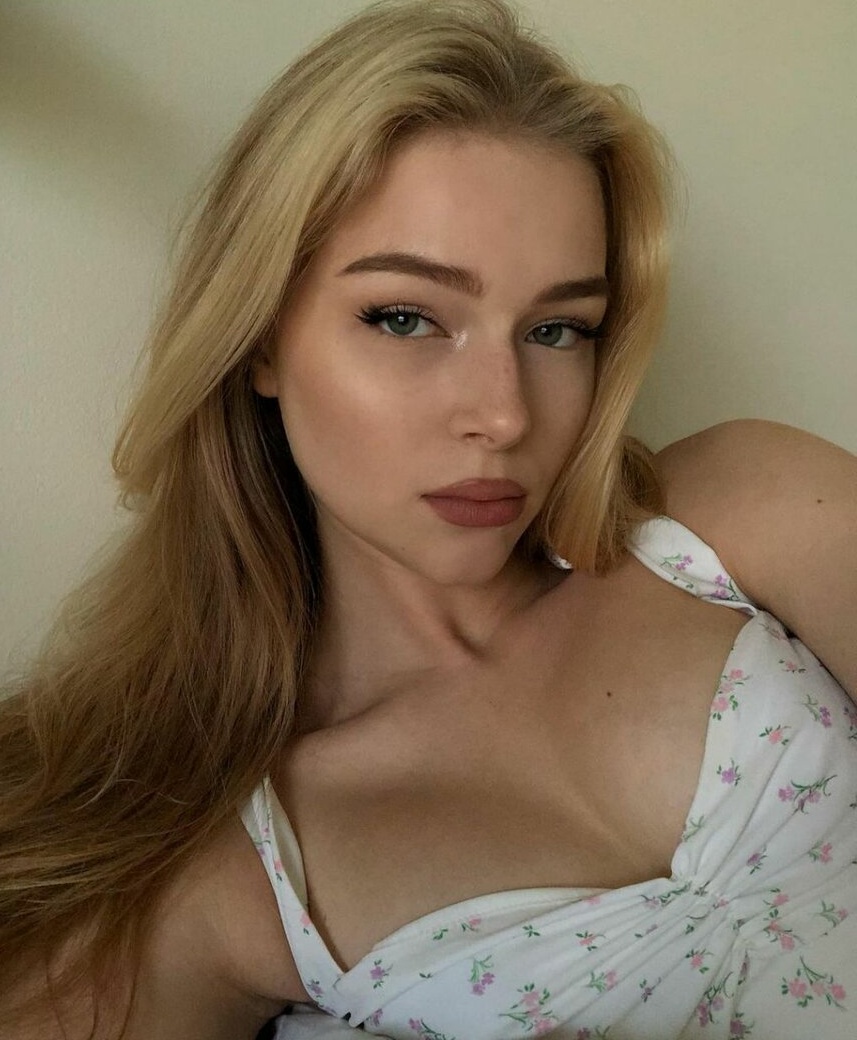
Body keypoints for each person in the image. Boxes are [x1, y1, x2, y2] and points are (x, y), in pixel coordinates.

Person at [2, 0, 855, 1037]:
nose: (503, 414)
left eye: (557, 329)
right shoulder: (229, 874)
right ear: (259, 337)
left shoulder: (739, 509)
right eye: (404, 317)